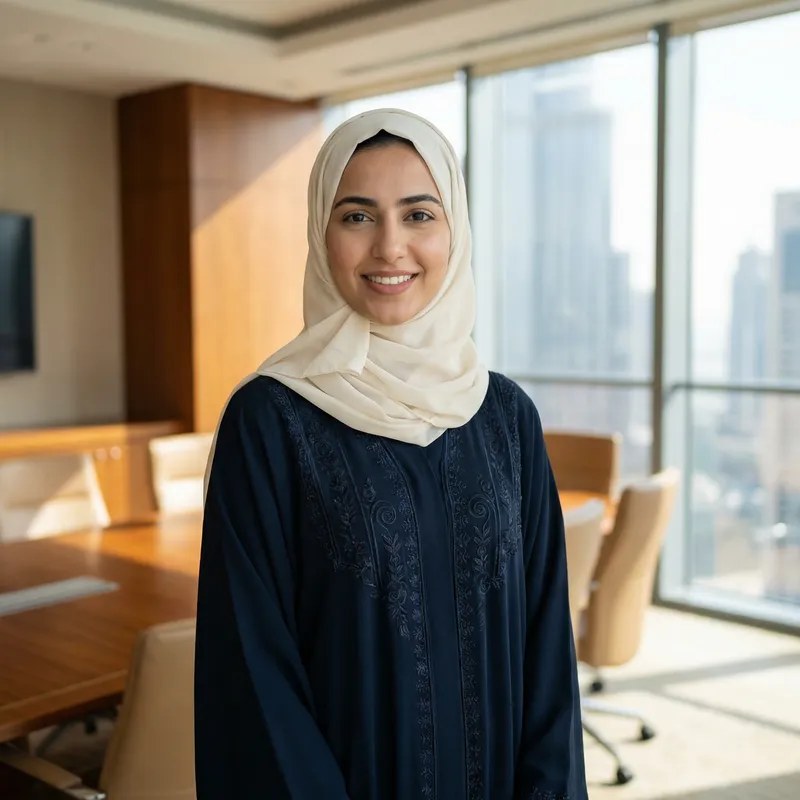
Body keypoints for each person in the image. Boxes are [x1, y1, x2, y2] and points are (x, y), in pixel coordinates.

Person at [194, 108, 588, 800]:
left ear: (454, 232)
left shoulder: (504, 417)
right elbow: (253, 682)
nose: (389, 248)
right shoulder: (270, 420)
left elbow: (548, 652)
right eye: (357, 216)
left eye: (418, 215)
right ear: (322, 233)